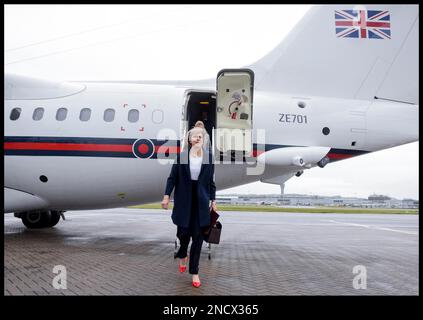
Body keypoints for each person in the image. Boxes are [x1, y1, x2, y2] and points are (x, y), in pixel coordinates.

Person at [161, 121, 217, 288]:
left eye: (201, 136)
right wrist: (166, 196)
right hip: (184, 199)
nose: (198, 138)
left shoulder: (208, 158)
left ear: (203, 139)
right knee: (183, 233)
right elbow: (172, 178)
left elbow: (211, 182)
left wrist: (213, 201)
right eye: (195, 136)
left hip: (201, 200)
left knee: (198, 238)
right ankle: (183, 251)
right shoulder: (182, 156)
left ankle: (195, 272)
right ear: (190, 139)